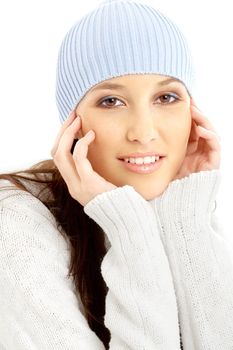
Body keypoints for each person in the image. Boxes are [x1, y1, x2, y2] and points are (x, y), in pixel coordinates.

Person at [0, 0, 232, 349]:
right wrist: (126, 223)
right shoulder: (14, 222)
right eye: (111, 101)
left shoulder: (181, 209)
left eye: (166, 97)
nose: (143, 131)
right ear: (73, 125)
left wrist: (188, 218)